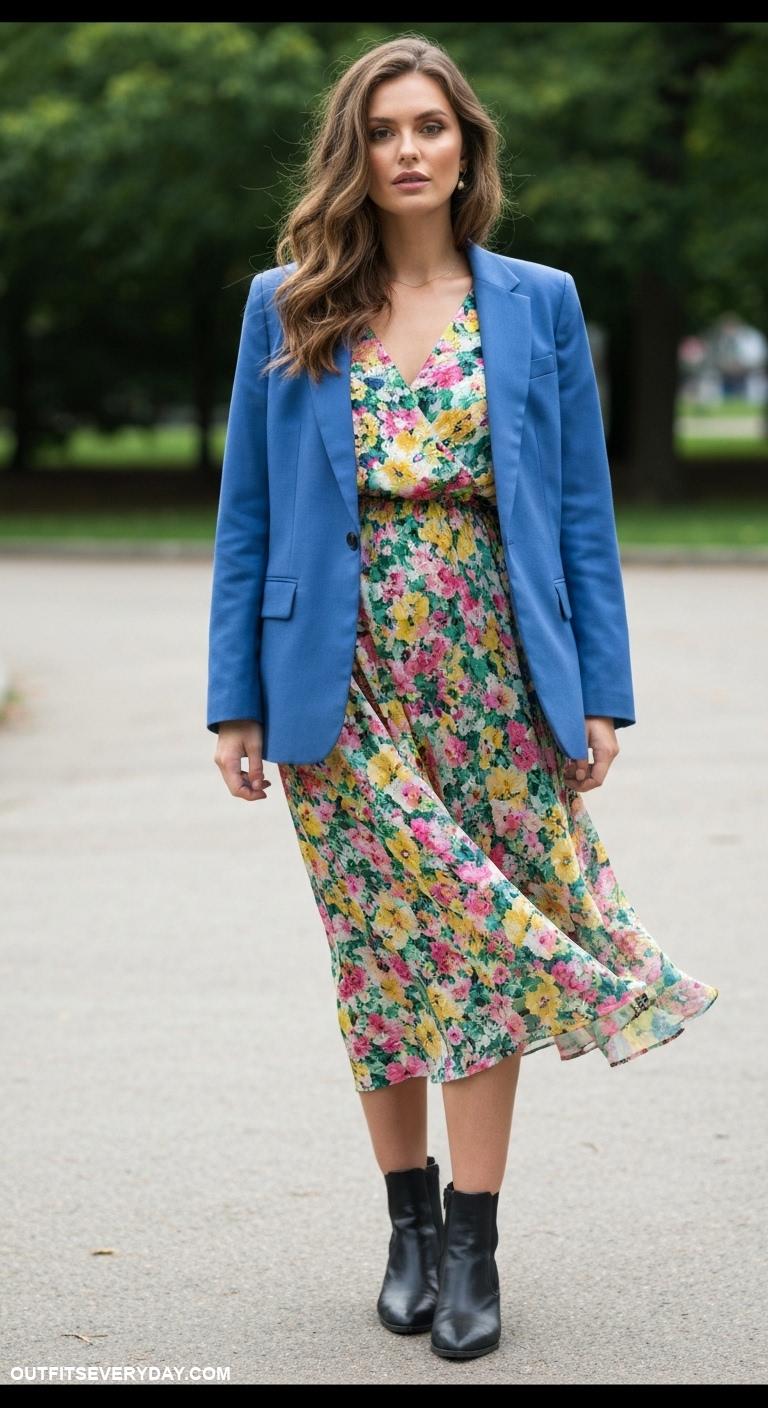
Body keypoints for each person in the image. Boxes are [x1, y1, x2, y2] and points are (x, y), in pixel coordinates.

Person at [206, 35, 719, 1362]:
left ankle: (477, 1243)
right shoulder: (292, 299)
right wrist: (233, 702)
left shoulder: (539, 303)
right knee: (380, 955)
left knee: (484, 949)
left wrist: (600, 691)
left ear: (466, 145)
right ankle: (407, 1225)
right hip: (340, 678)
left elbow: (582, 519)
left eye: (432, 125)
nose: (411, 149)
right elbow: (248, 515)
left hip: (494, 675)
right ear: (357, 155)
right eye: (385, 131)